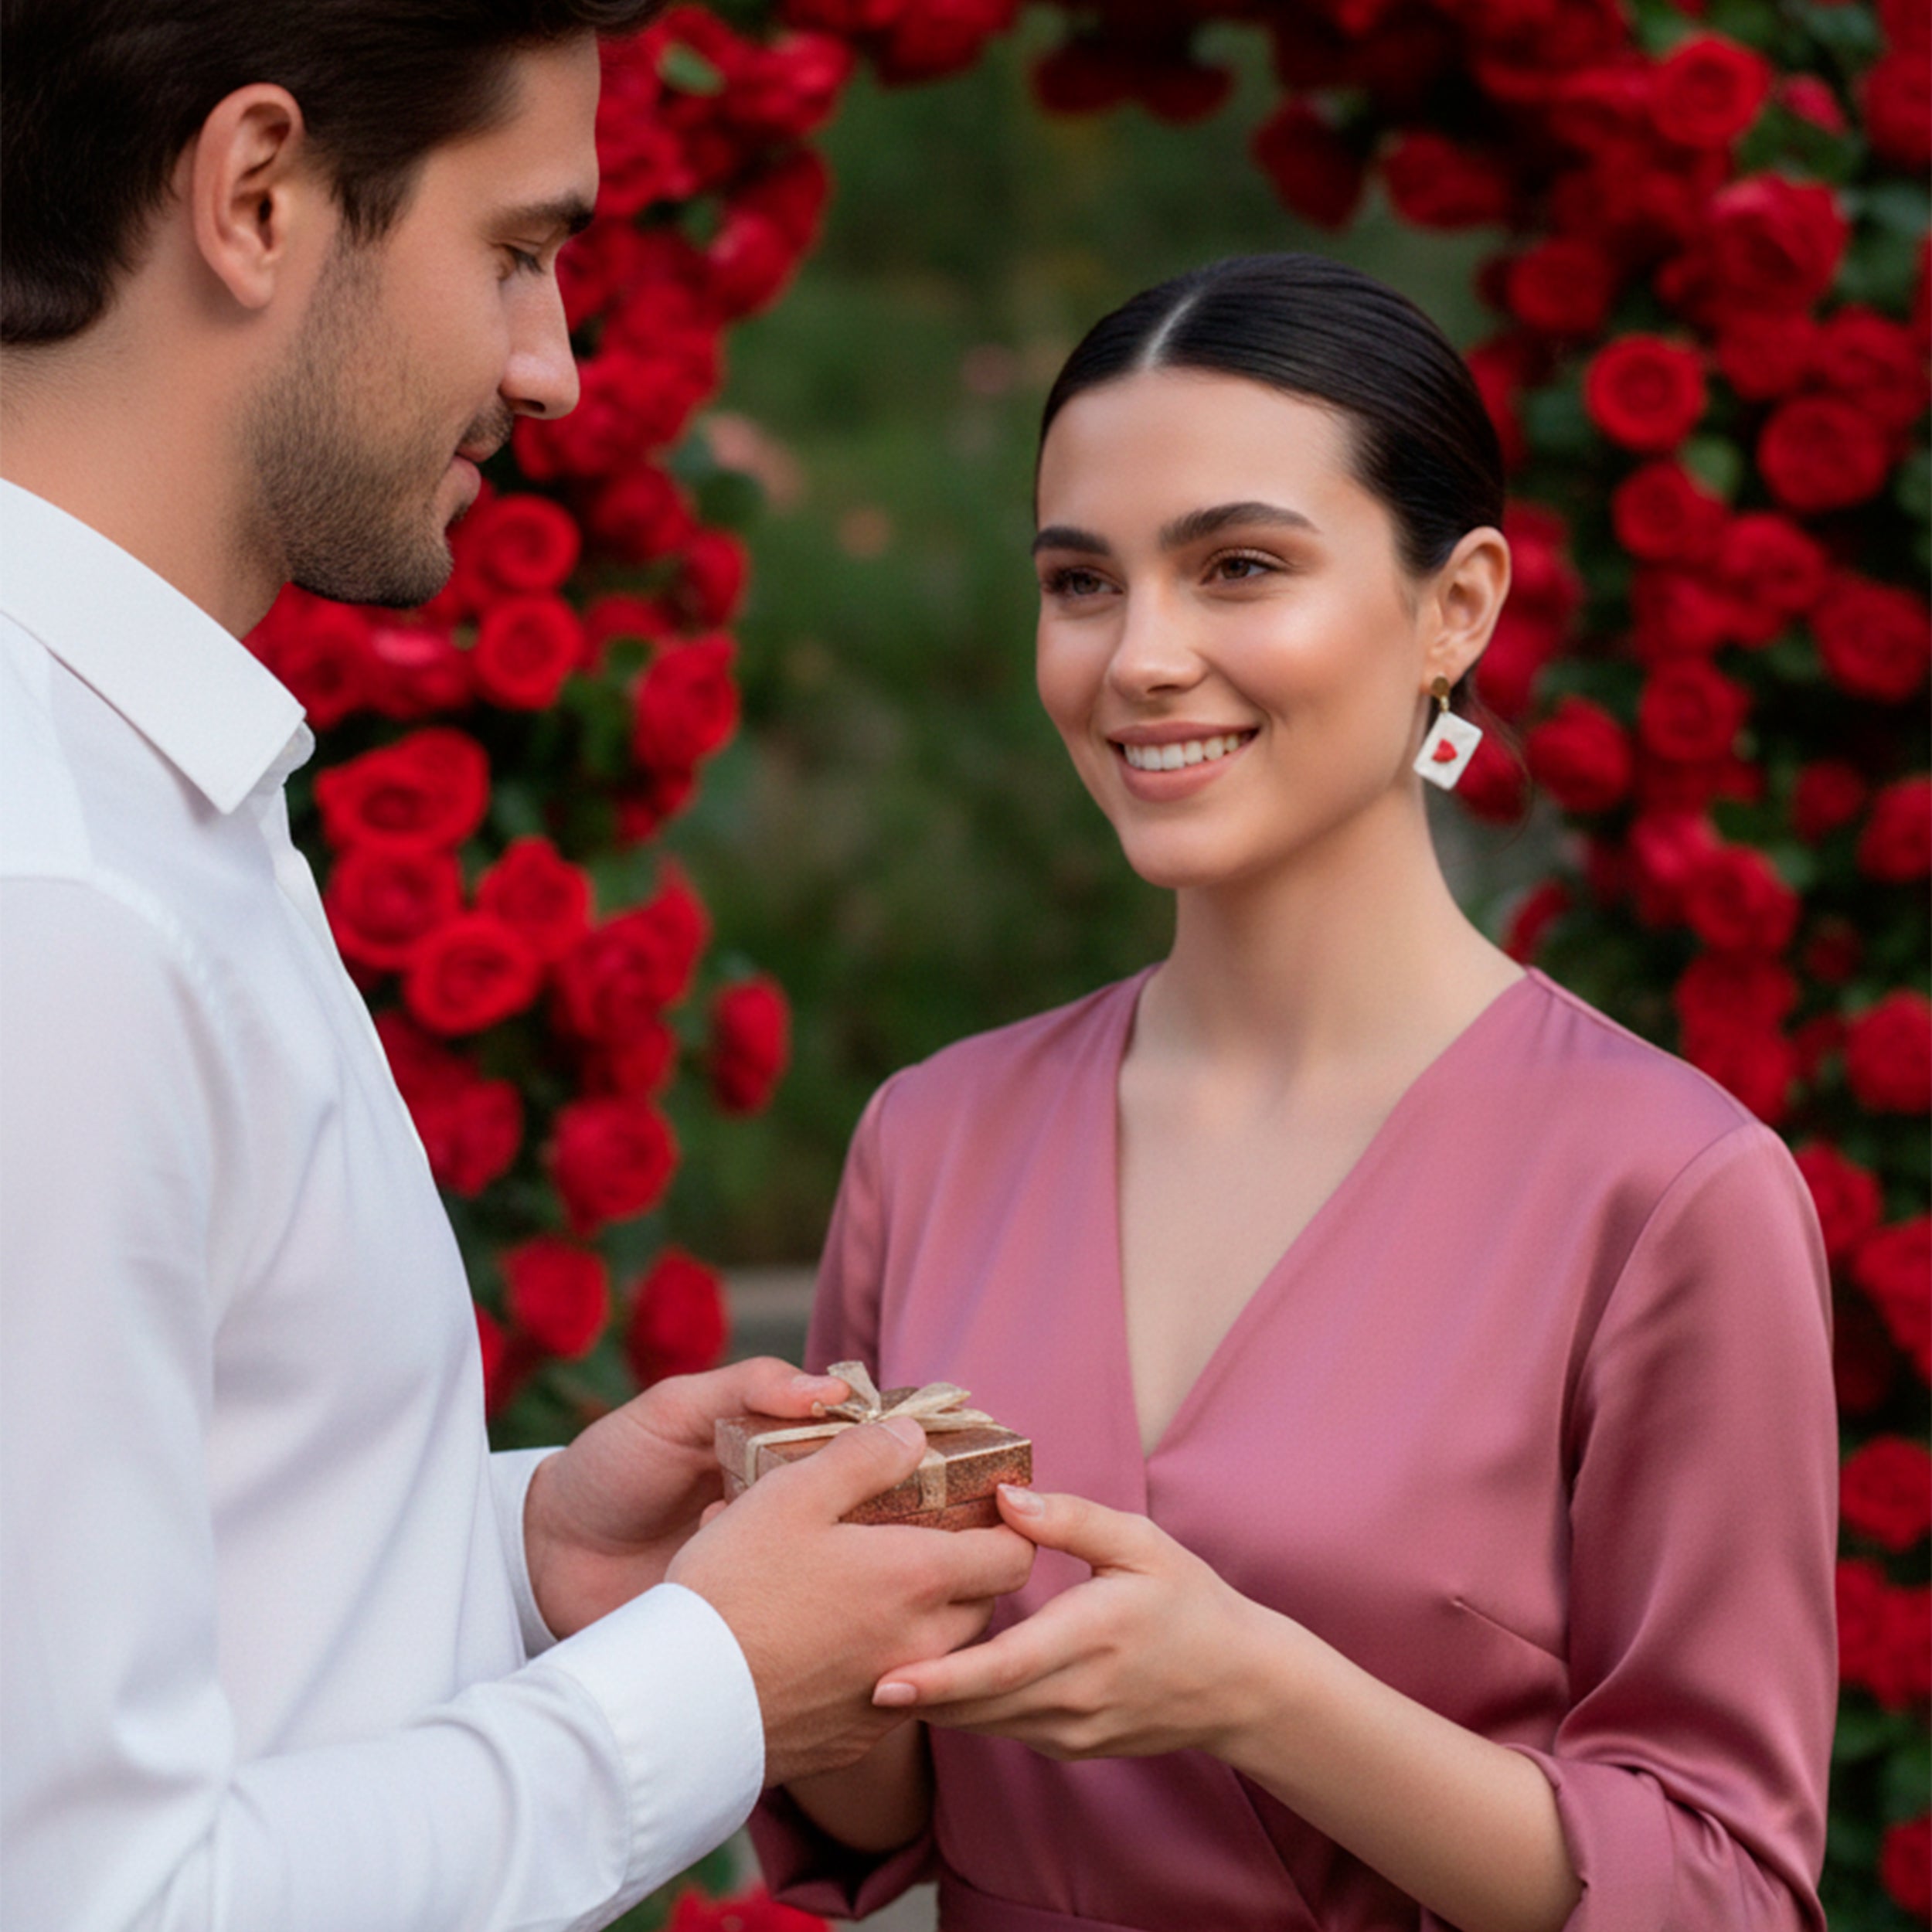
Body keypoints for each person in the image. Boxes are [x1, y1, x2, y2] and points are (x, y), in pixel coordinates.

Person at [0, 5, 1032, 1927]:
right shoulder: (59, 899)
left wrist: (525, 1550)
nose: (550, 368)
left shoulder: (147, 801)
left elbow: (150, 1629)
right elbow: (96, 1895)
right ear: (253, 194)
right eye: (517, 250)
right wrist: (714, 1679)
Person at [747, 255, 1838, 1930]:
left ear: (1454, 606)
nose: (1139, 658)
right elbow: (880, 1801)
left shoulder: (1665, 1187)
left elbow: (1719, 1884)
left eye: (1237, 566)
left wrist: (1261, 1692)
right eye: (1080, 582)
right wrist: (778, 1602)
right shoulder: (932, 1135)